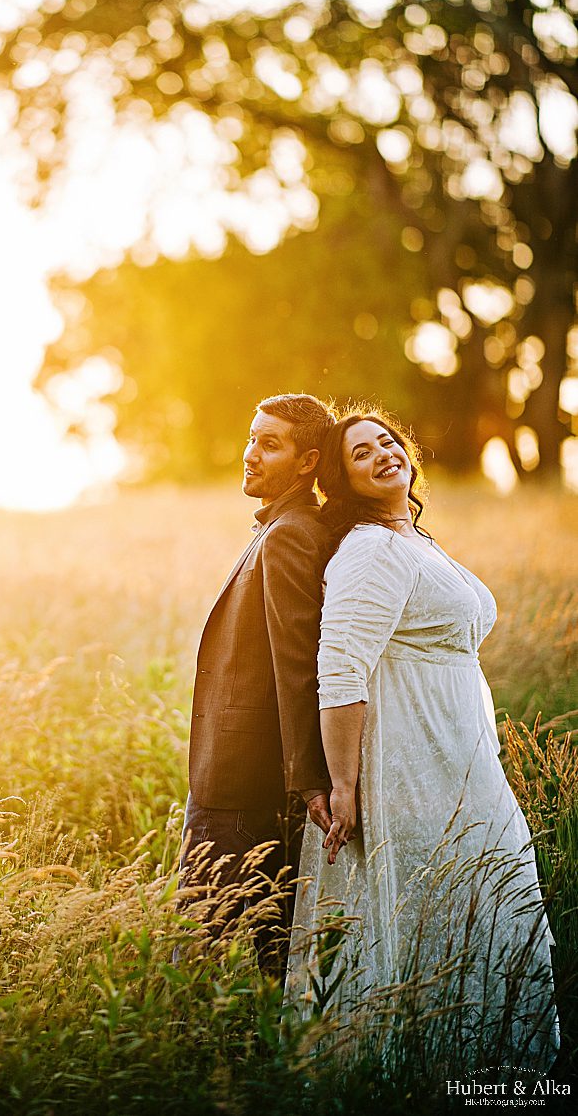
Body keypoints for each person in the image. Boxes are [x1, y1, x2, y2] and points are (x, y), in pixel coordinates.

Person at [285, 407, 559, 1070]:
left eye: (387, 440)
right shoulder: (371, 549)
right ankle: (407, 1065)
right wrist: (344, 782)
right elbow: (341, 668)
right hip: (410, 755)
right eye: (360, 452)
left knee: (482, 898)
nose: (381, 453)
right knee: (426, 903)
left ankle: (483, 1061)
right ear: (344, 480)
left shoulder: (411, 539)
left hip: (458, 755)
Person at [180, 392, 337, 971]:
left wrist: (307, 782)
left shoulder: (291, 534)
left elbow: (299, 669)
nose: (250, 454)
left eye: (269, 444)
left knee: (223, 951)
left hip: (246, 779)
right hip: (229, 768)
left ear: (308, 462)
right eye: (252, 438)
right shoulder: (275, 527)